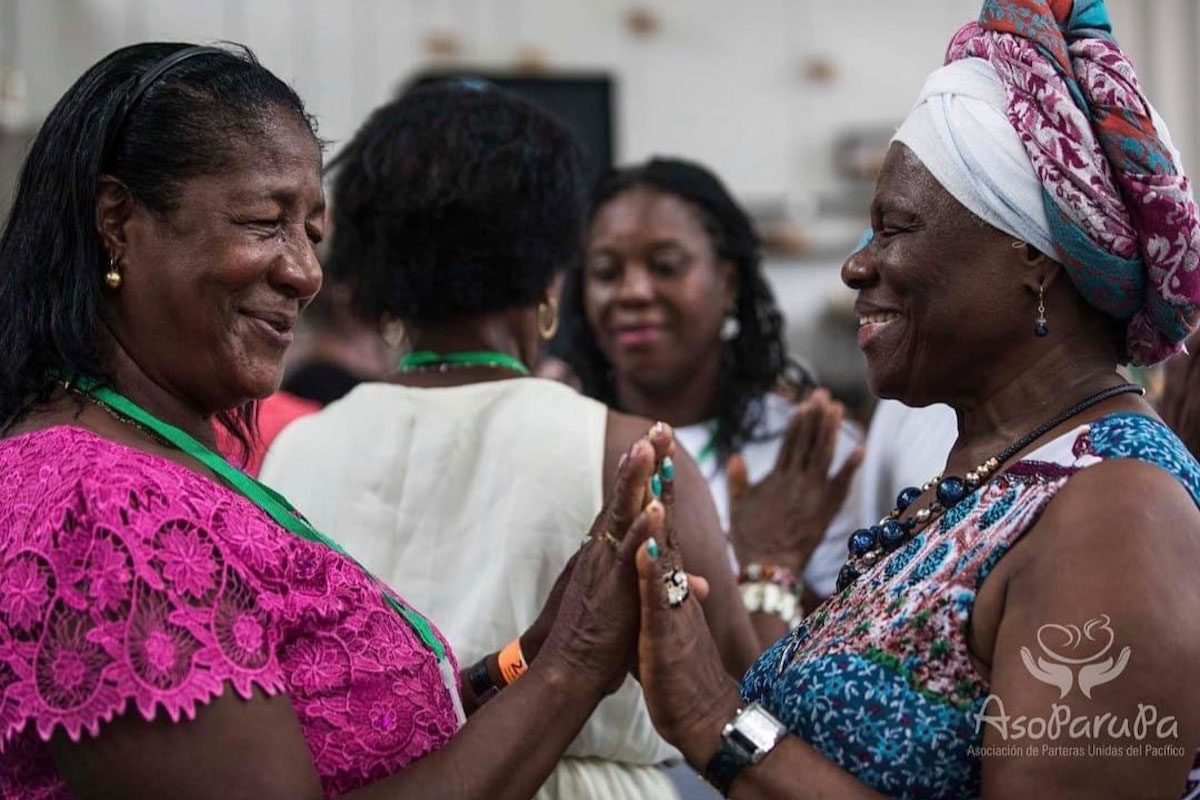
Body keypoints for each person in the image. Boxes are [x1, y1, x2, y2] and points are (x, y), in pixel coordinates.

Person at [0, 43, 684, 800]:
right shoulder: (107, 507)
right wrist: (574, 665)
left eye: (313, 234)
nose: (305, 272)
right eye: (265, 222)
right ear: (117, 221)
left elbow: (323, 740)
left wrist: (532, 655)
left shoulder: (140, 458)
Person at [625, 2, 1200, 798]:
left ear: (1031, 257)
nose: (856, 268)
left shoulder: (1120, 513)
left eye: (894, 228)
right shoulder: (990, 482)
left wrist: (712, 717)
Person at [260, 82, 761, 800]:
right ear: (552, 278)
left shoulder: (297, 450)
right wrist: (773, 567)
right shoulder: (631, 452)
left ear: (375, 276)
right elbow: (748, 693)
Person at [558, 157, 864, 610]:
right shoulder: (564, 442)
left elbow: (846, 631)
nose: (634, 291)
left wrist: (768, 562)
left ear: (728, 282)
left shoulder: (805, 452)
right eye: (606, 272)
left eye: (665, 266)